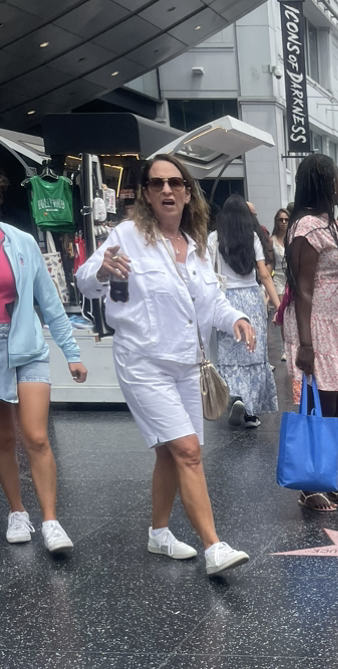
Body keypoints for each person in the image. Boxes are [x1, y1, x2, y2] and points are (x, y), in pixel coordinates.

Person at [76, 155, 252, 575]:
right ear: (146, 194)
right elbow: (84, 281)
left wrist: (237, 319)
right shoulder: (127, 235)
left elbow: (213, 301)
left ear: (188, 193)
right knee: (187, 451)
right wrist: (102, 270)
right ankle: (213, 547)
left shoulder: (196, 246)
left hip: (188, 364)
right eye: (157, 184)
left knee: (170, 454)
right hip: (143, 363)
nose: (167, 190)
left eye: (175, 182)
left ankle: (158, 533)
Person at [0, 172, 86, 554]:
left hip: (27, 344)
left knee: (35, 435)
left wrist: (72, 353)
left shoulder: (19, 241)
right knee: (4, 438)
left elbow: (48, 300)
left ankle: (51, 519)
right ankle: (17, 512)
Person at [283, 152, 338, 510]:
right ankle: (309, 484)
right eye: (336, 176)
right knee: (317, 406)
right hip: (317, 326)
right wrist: (305, 345)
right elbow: (303, 289)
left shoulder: (332, 224)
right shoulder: (305, 228)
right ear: (323, 182)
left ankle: (334, 478)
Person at [208, 194, 279, 429]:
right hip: (251, 298)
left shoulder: (214, 238)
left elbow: (208, 273)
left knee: (229, 354)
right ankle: (250, 412)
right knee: (253, 353)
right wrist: (279, 305)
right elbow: (264, 274)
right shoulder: (252, 237)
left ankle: (235, 396)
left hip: (225, 302)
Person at [270, 207, 289, 298]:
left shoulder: (293, 238)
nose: (284, 222)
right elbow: (270, 263)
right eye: (281, 220)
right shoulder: (271, 240)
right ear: (277, 221)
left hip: (292, 279)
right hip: (278, 279)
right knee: (281, 306)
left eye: (286, 220)